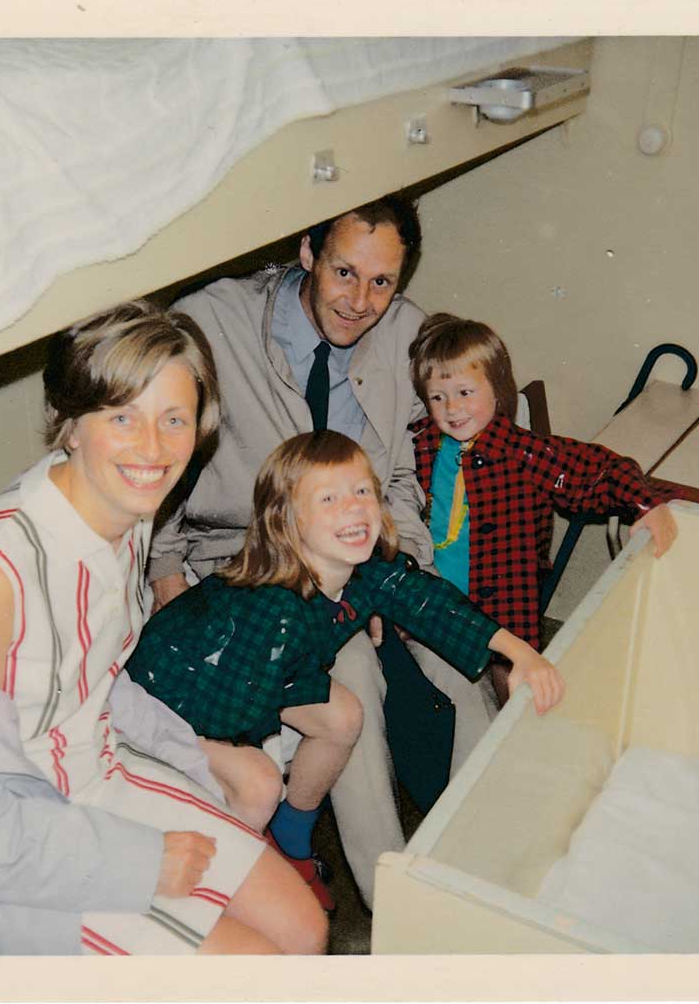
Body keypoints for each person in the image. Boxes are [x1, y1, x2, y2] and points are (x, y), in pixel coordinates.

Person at [0, 301, 327, 956]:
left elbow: (91, 673)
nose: (152, 450)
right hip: (16, 838)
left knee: (305, 927)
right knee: (255, 964)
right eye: (123, 417)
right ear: (70, 424)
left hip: (99, 774)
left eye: (173, 420)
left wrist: (204, 750)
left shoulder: (128, 515)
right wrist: (140, 863)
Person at [147, 195, 498, 907]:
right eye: (344, 272)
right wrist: (166, 582)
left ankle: (484, 858)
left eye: (381, 283)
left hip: (362, 550)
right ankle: (387, 896)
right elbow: (163, 459)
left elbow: (399, 473)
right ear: (306, 252)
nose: (360, 300)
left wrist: (401, 570)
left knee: (468, 670)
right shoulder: (212, 321)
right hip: (249, 564)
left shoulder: (405, 333)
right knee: (355, 683)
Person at [128, 432, 564, 910]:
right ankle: (233, 888)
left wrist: (519, 651)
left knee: (342, 716)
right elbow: (232, 718)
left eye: (362, 491)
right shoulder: (275, 613)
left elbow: (426, 599)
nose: (353, 508)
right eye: (329, 498)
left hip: (255, 674)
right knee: (258, 784)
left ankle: (293, 834)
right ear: (288, 523)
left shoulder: (360, 572)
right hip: (165, 706)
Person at [408, 313, 680, 702]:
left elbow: (602, 469)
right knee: (440, 699)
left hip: (503, 609)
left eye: (465, 393)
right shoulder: (419, 445)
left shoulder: (524, 452)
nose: (452, 408)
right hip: (438, 608)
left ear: (498, 391)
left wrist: (645, 502)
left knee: (514, 698)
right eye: (438, 397)